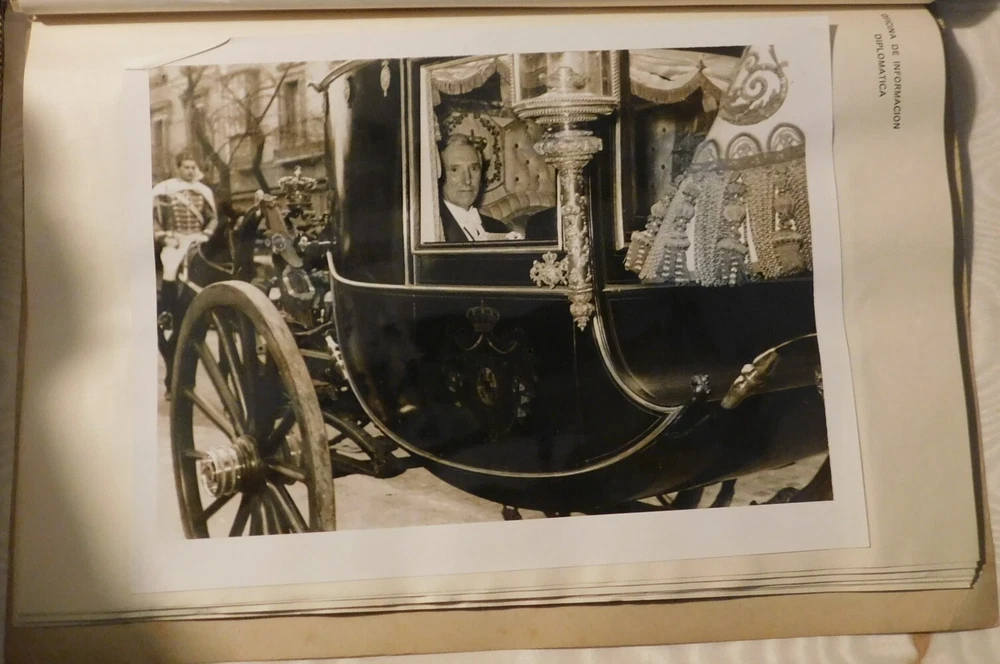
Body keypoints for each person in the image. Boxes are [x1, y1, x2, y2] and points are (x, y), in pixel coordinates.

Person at [437, 134, 510, 243]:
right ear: (439, 176)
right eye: (455, 170)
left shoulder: (498, 228)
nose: (467, 180)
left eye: (474, 168)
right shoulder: (434, 230)